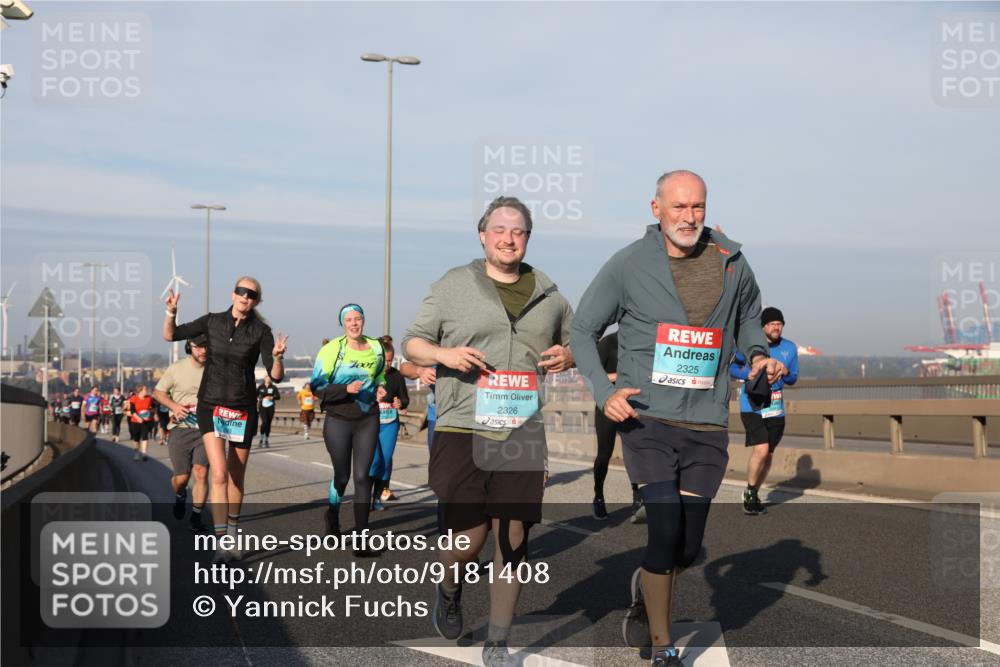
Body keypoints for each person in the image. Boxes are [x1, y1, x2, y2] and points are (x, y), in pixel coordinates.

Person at [570, 170, 787, 666]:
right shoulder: (628, 264)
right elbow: (583, 330)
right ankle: (664, 647)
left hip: (707, 420)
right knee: (663, 530)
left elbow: (749, 317)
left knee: (687, 548)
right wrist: (604, 392)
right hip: (648, 420)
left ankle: (646, 591)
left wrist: (757, 357)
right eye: (679, 207)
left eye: (698, 208)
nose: (689, 217)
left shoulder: (731, 261)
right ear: (656, 209)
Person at [402, 196, 575, 666]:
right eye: (499, 229)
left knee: (512, 536)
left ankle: (499, 640)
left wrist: (570, 355)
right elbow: (412, 341)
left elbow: (575, 341)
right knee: (470, 537)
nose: (508, 238)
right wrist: (444, 356)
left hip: (521, 428)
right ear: (483, 235)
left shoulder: (550, 294)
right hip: (462, 424)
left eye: (517, 231)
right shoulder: (453, 285)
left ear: (527, 239)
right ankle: (450, 584)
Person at [164, 276, 287, 563]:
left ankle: (232, 533)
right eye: (242, 291)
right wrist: (171, 312)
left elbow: (276, 374)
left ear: (256, 301)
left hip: (243, 408)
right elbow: (171, 335)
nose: (246, 297)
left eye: (252, 294)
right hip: (211, 407)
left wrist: (278, 357)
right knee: (217, 473)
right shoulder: (212, 322)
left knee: (235, 475)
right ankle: (222, 543)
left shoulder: (261, 331)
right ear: (233, 294)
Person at [309, 304, 387, 554]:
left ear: (363, 320)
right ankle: (332, 515)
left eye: (358, 319)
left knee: (363, 476)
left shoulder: (376, 346)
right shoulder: (333, 349)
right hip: (338, 418)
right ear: (343, 323)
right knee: (342, 476)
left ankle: (362, 540)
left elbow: (379, 376)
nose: (354, 323)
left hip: (367, 417)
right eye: (349, 320)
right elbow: (317, 386)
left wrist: (381, 387)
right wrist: (345, 389)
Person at [730, 306, 799, 515]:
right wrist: (747, 373)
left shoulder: (790, 348)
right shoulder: (749, 346)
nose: (776, 327)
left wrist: (786, 372)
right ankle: (750, 492)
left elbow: (793, 378)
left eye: (779, 324)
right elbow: (730, 367)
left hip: (776, 408)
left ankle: (754, 491)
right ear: (763, 327)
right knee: (760, 449)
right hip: (751, 405)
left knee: (768, 455)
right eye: (771, 324)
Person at [154, 335, 210, 532]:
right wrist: (174, 406)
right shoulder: (176, 368)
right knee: (182, 478)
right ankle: (180, 496)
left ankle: (196, 515)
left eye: (207, 347)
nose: (203, 350)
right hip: (180, 429)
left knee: (201, 473)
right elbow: (158, 393)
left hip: (206, 430)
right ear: (190, 347)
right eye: (199, 347)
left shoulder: (215, 369)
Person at [590, 331, 642, 521]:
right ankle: (598, 495)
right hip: (608, 405)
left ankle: (638, 499)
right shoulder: (609, 342)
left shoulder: (642, 340)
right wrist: (622, 376)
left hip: (633, 405)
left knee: (637, 453)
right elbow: (592, 376)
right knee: (605, 453)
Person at [369, 336, 409, 511]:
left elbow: (405, 398)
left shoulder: (396, 376)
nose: (387, 364)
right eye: (384, 360)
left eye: (390, 361)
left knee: (385, 461)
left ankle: (377, 497)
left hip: (390, 424)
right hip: (370, 424)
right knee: (374, 461)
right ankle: (365, 494)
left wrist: (401, 403)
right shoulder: (368, 374)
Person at [126, 385, 156, 461]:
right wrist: (138, 418)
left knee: (145, 436)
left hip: (146, 421)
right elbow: (132, 411)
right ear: (140, 391)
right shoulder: (134, 398)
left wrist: (152, 412)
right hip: (135, 421)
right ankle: (137, 453)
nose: (147, 391)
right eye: (145, 389)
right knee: (136, 438)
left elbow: (154, 407)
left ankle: (144, 453)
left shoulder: (149, 398)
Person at [257, 375, 281, 448]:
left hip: (271, 406)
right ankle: (261, 439)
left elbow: (278, 396)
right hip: (262, 406)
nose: (268, 379)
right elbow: (256, 395)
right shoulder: (260, 387)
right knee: (265, 421)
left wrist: (272, 397)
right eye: (267, 377)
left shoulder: (273, 387)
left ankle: (266, 439)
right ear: (264, 379)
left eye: (269, 378)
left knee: (268, 423)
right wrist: (259, 398)